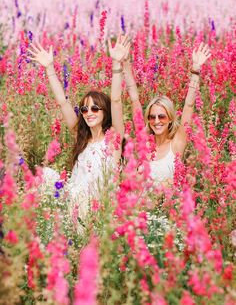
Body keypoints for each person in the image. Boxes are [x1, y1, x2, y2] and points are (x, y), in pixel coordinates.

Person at [27, 35, 130, 220]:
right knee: (44, 175)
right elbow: (62, 103)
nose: (88, 112)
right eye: (84, 109)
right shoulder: (82, 137)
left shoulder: (113, 137)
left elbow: (116, 100)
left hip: (97, 208)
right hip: (73, 204)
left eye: (95, 108)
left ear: (105, 111)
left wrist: (116, 64)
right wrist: (49, 68)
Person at [122, 42, 211, 184]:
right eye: (152, 117)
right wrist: (125, 63)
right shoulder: (144, 142)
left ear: (170, 118)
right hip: (141, 204)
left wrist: (195, 70)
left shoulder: (176, 144)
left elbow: (189, 105)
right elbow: (134, 99)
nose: (156, 121)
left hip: (165, 205)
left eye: (161, 116)